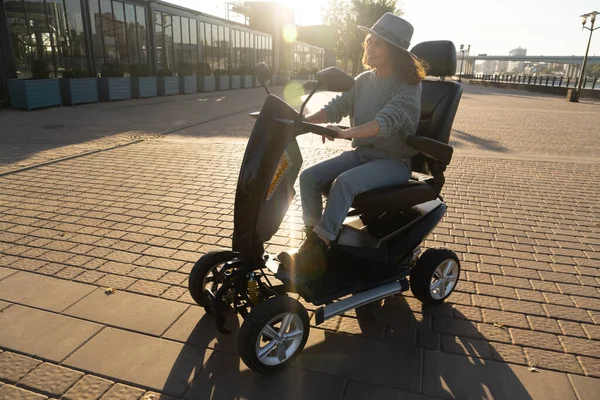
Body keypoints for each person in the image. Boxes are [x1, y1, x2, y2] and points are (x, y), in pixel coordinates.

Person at [279, 13, 427, 276]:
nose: (370, 47)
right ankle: (312, 240)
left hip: (394, 162)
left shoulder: (409, 86)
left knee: (344, 183)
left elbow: (387, 121)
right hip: (364, 154)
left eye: (378, 44)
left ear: (395, 51)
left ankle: (322, 243)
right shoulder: (363, 80)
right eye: (369, 41)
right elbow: (338, 106)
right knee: (310, 177)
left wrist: (346, 134)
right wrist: (302, 122)